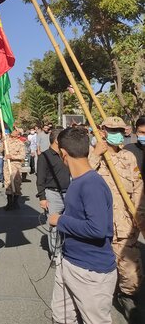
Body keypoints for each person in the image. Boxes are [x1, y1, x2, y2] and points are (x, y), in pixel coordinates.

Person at [49, 127, 116, 324]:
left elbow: (97, 228)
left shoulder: (91, 184)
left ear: (63, 154)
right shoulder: (78, 181)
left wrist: (59, 220)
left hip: (91, 271)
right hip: (70, 261)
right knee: (61, 316)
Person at [88, 116, 145, 320]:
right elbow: (79, 178)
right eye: (112, 130)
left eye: (120, 130)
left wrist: (141, 219)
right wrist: (96, 154)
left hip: (124, 225)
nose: (117, 134)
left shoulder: (128, 157)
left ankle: (126, 295)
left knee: (131, 273)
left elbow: (138, 191)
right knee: (100, 271)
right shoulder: (93, 156)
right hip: (99, 225)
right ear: (102, 131)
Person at [36, 128, 69, 264]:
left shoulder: (66, 155)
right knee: (54, 226)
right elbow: (40, 179)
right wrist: (42, 198)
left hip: (68, 193)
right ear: (57, 140)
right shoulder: (45, 156)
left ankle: (66, 251)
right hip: (52, 194)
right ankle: (56, 255)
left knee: (68, 225)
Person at [3, 128, 26, 211]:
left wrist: (12, 157)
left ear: (18, 134)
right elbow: (0, 150)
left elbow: (23, 156)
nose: (12, 131)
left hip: (16, 167)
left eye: (15, 130)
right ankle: (9, 203)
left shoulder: (20, 144)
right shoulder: (6, 141)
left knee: (17, 185)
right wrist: (3, 143)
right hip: (7, 167)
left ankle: (15, 202)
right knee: (8, 184)